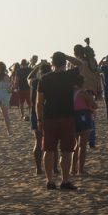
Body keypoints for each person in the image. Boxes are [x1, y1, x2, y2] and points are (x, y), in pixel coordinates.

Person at [37, 51, 82, 190]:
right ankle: (65, 180)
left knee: (49, 150)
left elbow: (39, 102)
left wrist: (39, 119)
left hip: (50, 117)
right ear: (64, 63)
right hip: (67, 117)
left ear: (52, 63)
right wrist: (67, 56)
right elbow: (80, 63)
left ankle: (49, 181)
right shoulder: (69, 75)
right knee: (66, 151)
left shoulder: (45, 79)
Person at [28, 62, 52, 174]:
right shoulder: (51, 82)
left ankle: (38, 168)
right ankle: (55, 168)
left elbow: (29, 77)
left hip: (35, 113)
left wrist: (36, 67)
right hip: (48, 112)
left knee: (38, 141)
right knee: (52, 141)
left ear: (40, 72)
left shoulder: (34, 82)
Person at [71, 76, 97, 176]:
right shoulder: (83, 93)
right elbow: (94, 105)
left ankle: (72, 169)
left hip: (72, 118)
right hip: (83, 118)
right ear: (82, 83)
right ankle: (80, 169)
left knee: (75, 145)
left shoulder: (70, 93)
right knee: (83, 146)